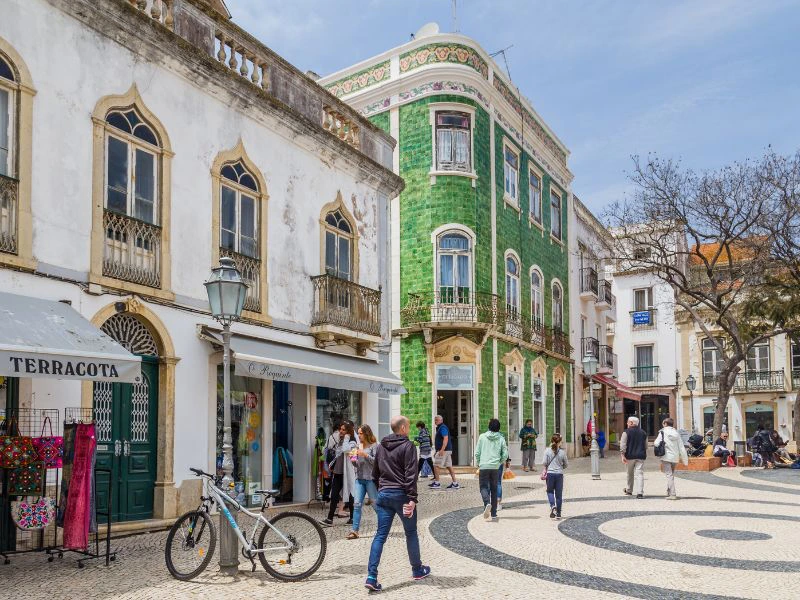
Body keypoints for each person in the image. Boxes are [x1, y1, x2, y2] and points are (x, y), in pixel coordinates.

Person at [365, 415, 431, 591]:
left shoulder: (381, 446)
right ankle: (417, 569)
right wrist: (412, 498)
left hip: (384, 495)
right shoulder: (408, 446)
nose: (409, 429)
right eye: (408, 426)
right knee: (411, 533)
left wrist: (382, 489)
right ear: (402, 428)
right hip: (402, 496)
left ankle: (371, 576)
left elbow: (375, 474)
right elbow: (411, 474)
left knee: (380, 535)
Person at [320, 421, 357, 526]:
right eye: (340, 429)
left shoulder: (353, 442)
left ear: (348, 431)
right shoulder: (340, 440)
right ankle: (329, 519)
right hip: (337, 472)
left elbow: (352, 457)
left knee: (350, 495)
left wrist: (347, 438)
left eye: (343, 430)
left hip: (348, 473)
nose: (340, 431)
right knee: (334, 496)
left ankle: (353, 518)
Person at [474, 418, 509, 522]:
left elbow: (477, 453)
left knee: (483, 487)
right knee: (494, 489)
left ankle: (486, 503)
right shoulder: (501, 438)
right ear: (499, 428)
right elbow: (505, 454)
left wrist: (479, 462)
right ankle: (493, 513)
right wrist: (499, 462)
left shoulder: (482, 437)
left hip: (484, 466)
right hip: (495, 467)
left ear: (489, 426)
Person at [348, 424, 379, 539]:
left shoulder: (374, 446)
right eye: (358, 433)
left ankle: (382, 528)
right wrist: (352, 458)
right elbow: (356, 465)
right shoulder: (357, 446)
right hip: (359, 479)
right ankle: (354, 531)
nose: (359, 435)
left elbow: (376, 462)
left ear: (366, 434)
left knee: (375, 505)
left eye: (361, 433)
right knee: (356, 505)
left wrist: (365, 455)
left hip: (370, 480)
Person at [654, 418, 688, 499]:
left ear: (665, 424)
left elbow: (656, 443)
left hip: (666, 456)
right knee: (671, 475)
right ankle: (669, 491)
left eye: (663, 423)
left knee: (669, 475)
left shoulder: (662, 432)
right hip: (675, 457)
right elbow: (681, 447)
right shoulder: (676, 433)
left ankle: (673, 494)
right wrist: (685, 460)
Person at [620, 416, 647, 499]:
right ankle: (640, 493)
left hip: (629, 456)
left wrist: (622, 455)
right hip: (640, 456)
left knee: (629, 473)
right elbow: (646, 446)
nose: (627, 423)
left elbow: (623, 444)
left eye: (628, 422)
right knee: (640, 474)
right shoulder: (643, 432)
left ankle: (629, 490)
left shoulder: (626, 432)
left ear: (631, 423)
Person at [430, 414, 459, 489]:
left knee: (436, 465)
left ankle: (437, 483)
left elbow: (445, 438)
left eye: (437, 420)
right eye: (435, 420)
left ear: (441, 420)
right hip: (447, 450)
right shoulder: (441, 427)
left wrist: (442, 450)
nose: (435, 421)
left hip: (444, 450)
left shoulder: (442, 427)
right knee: (449, 466)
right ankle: (455, 483)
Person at [543, 434, 568, 519]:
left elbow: (544, 463)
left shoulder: (547, 451)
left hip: (550, 474)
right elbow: (566, 464)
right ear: (559, 442)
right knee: (559, 494)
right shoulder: (562, 452)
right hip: (559, 474)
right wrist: (560, 467)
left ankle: (553, 506)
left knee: (550, 491)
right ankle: (559, 513)